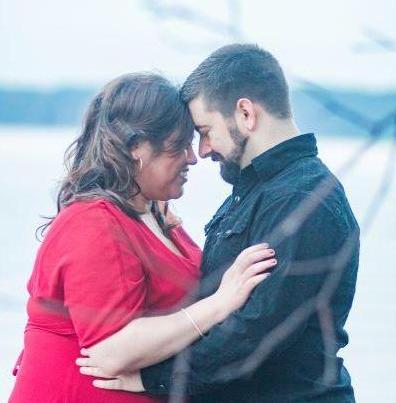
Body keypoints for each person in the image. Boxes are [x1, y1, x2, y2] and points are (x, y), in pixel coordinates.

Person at [78, 44, 360, 402]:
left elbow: (255, 334)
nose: (203, 150)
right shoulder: (256, 191)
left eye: (205, 130)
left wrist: (150, 378)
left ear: (245, 113)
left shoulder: (302, 200)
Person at [8, 73, 277, 403]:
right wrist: (220, 303)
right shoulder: (92, 222)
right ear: (136, 147)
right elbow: (111, 350)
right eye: (178, 146)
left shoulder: (154, 213)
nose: (192, 157)